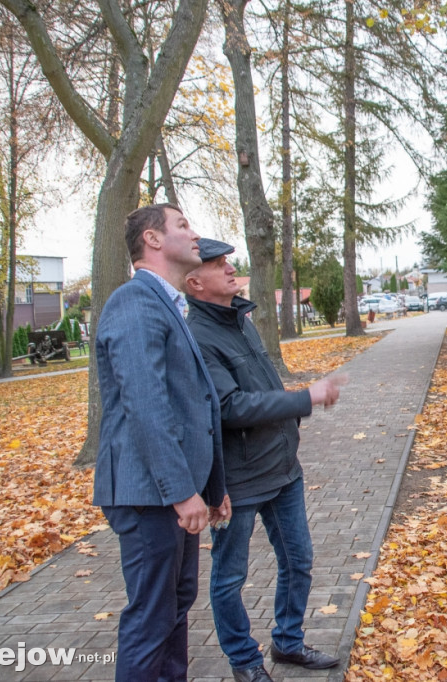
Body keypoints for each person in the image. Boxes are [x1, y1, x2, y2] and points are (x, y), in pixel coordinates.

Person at [185, 238, 347, 682]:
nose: (230, 269)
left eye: (228, 262)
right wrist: (304, 399)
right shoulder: (197, 336)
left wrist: (290, 426)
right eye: (219, 265)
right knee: (229, 577)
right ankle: (245, 662)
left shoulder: (241, 319)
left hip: (282, 470)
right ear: (194, 282)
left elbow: (263, 387)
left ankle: (287, 643)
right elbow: (231, 407)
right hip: (238, 480)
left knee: (299, 560)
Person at [93, 203, 230, 681]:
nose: (196, 234)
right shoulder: (134, 303)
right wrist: (180, 491)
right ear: (152, 240)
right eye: (183, 225)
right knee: (151, 616)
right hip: (149, 493)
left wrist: (213, 488)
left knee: (175, 605)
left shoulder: (167, 304)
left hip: (170, 493)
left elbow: (195, 405)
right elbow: (147, 407)